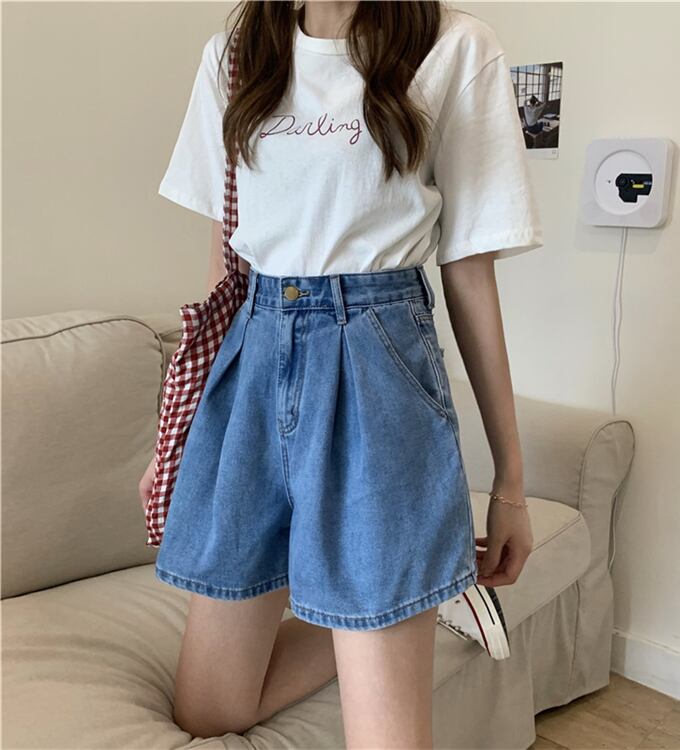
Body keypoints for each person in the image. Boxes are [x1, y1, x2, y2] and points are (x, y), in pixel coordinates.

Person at [141, 1, 543, 746]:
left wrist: (511, 484)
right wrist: (180, 436)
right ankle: (427, 598)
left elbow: (469, 272)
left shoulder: (454, 47)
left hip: (376, 355)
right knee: (209, 712)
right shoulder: (234, 56)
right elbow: (226, 264)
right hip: (251, 353)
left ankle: (411, 598)